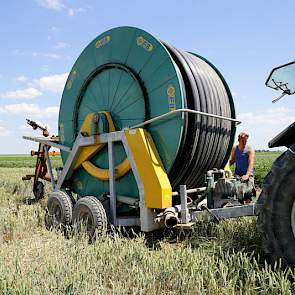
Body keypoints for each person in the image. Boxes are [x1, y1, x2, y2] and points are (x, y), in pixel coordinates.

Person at [229, 132, 255, 203]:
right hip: (238, 174)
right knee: (239, 193)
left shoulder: (250, 149)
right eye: (242, 141)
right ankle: (240, 208)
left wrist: (247, 175)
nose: (244, 143)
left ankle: (248, 207)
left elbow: (251, 163)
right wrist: (225, 167)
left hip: (248, 174)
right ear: (238, 140)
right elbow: (233, 160)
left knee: (248, 192)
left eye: (245, 141)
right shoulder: (235, 148)